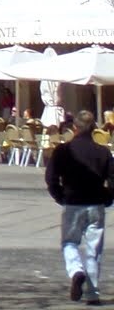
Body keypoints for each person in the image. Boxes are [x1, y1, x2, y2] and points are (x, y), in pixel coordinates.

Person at [48, 110, 114, 304]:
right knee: (94, 250)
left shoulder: (63, 150)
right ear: (93, 128)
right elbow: (113, 178)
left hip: (73, 202)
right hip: (96, 204)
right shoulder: (103, 152)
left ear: (74, 128)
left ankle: (76, 270)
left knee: (69, 242)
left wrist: (59, 195)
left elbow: (51, 178)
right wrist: (108, 197)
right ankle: (93, 294)